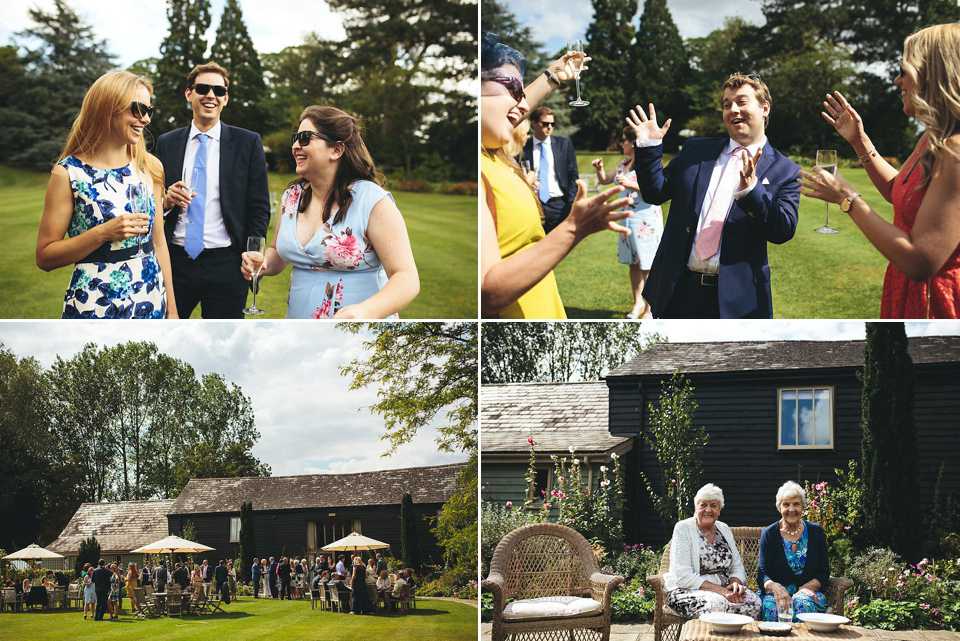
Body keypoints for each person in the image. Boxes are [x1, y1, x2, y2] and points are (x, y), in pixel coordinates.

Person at [801, 23, 960, 318]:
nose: (898, 80)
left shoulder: (955, 152)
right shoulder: (931, 139)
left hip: (936, 304)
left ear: (934, 73)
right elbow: (896, 190)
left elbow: (920, 262)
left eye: (904, 70)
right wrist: (859, 140)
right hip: (906, 292)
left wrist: (849, 200)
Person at [480, 32, 632, 319]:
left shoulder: (494, 155)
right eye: (512, 88)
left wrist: (554, 76)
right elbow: (488, 292)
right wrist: (574, 228)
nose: (522, 104)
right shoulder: (481, 170)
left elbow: (517, 110)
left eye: (522, 93)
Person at [627, 73, 801, 318]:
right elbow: (656, 192)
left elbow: (783, 231)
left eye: (741, 102)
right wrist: (649, 147)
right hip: (677, 290)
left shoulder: (787, 171)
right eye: (727, 104)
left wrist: (752, 191)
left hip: (738, 300)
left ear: (764, 108)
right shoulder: (695, 150)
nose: (733, 110)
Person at [239, 106, 419, 318]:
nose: (296, 146)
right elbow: (277, 251)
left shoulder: (371, 200)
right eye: (295, 138)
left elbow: (406, 278)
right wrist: (265, 262)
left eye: (305, 138)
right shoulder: (292, 196)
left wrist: (363, 312)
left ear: (336, 150)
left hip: (359, 326)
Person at [36, 71, 177, 318]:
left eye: (148, 111)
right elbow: (45, 257)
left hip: (150, 298)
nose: (144, 119)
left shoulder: (150, 168)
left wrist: (173, 310)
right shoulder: (68, 173)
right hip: (94, 303)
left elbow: (158, 243)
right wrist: (102, 233)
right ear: (106, 108)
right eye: (137, 109)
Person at [153, 61, 270, 318]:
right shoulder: (166, 142)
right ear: (189, 94)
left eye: (218, 91)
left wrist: (253, 251)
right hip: (174, 262)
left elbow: (259, 206)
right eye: (203, 88)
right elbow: (152, 201)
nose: (211, 95)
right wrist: (166, 200)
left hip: (226, 264)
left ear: (225, 98)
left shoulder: (247, 142)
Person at [593, 127, 664, 318]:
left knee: (647, 265)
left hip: (645, 221)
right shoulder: (623, 162)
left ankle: (650, 309)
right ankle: (637, 303)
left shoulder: (647, 164)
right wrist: (599, 169)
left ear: (633, 143)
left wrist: (631, 184)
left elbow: (658, 189)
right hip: (627, 221)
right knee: (633, 264)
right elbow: (606, 179)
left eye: (623, 140)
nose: (621, 143)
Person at [662, 483, 762, 619]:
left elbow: (737, 567)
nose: (708, 510)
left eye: (713, 505)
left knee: (754, 603)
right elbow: (682, 575)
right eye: (703, 505)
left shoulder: (724, 528)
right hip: (686, 590)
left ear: (719, 510)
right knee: (717, 605)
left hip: (725, 590)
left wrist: (735, 586)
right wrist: (721, 591)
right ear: (696, 507)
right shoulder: (683, 528)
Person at [758, 481, 830, 622]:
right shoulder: (769, 534)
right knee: (772, 608)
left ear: (803, 507)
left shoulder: (816, 532)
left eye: (796, 504)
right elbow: (763, 573)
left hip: (808, 592)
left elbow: (824, 571)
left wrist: (807, 587)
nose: (791, 509)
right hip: (777, 593)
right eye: (786, 504)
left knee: (802, 604)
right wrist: (774, 587)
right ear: (779, 508)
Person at [522, 107, 579, 234]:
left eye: (552, 124)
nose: (549, 127)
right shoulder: (524, 146)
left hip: (559, 204)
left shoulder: (564, 144)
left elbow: (573, 174)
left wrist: (569, 203)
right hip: (534, 204)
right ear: (534, 123)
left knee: (558, 248)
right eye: (545, 123)